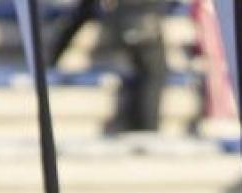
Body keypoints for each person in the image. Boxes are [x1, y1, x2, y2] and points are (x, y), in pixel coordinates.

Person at [48, 0, 168, 132]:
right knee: (150, 74)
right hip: (137, 26)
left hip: (135, 24)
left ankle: (143, 127)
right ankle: (146, 128)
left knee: (149, 74)